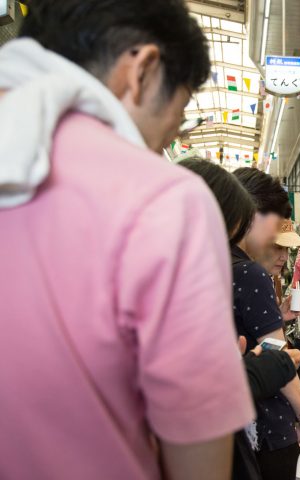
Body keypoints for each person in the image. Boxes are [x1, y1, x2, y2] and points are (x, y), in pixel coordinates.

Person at [0, 2, 253, 479]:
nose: (158, 149)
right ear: (141, 69)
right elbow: (197, 457)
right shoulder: (165, 199)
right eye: (173, 121)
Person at [179, 158, 300, 480]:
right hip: (262, 426)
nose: (279, 250)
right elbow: (275, 351)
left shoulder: (196, 271)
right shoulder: (248, 272)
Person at [232, 167, 300, 479]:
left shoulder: (211, 265)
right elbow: (279, 361)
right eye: (277, 242)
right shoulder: (250, 274)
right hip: (267, 429)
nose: (285, 257)